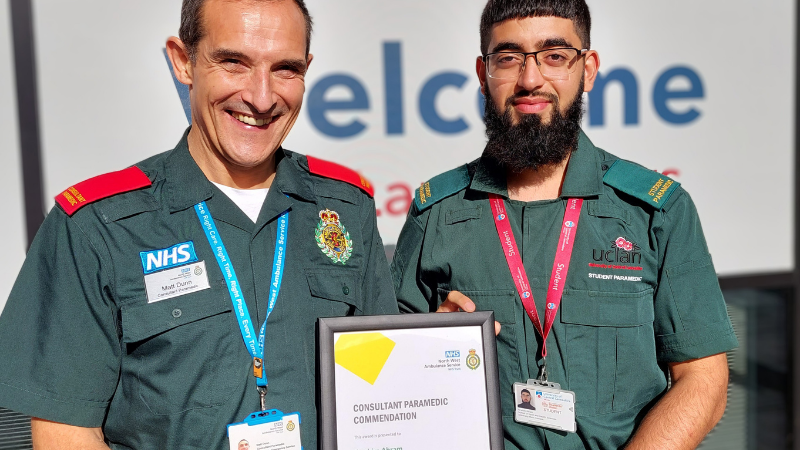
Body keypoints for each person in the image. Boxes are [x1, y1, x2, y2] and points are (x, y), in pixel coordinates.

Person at [0, 0, 396, 448]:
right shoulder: (97, 226)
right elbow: (65, 433)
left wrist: (440, 346)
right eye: (234, 63)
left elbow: (379, 384)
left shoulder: (346, 207)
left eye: (285, 69)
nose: (261, 97)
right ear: (183, 61)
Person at [391, 0, 737, 448]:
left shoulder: (656, 211)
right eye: (509, 58)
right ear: (483, 73)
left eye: (554, 56)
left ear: (588, 69)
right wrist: (431, 349)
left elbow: (702, 379)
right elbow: (387, 396)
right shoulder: (433, 213)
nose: (530, 79)